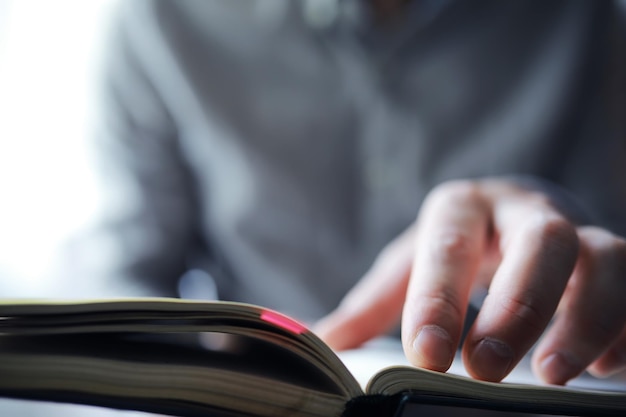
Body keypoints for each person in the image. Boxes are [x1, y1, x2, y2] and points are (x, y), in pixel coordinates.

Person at [84, 0, 626, 388]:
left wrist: (575, 266)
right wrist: (207, 374)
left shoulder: (584, 18)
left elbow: (603, 289)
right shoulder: (163, 18)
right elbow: (118, 281)